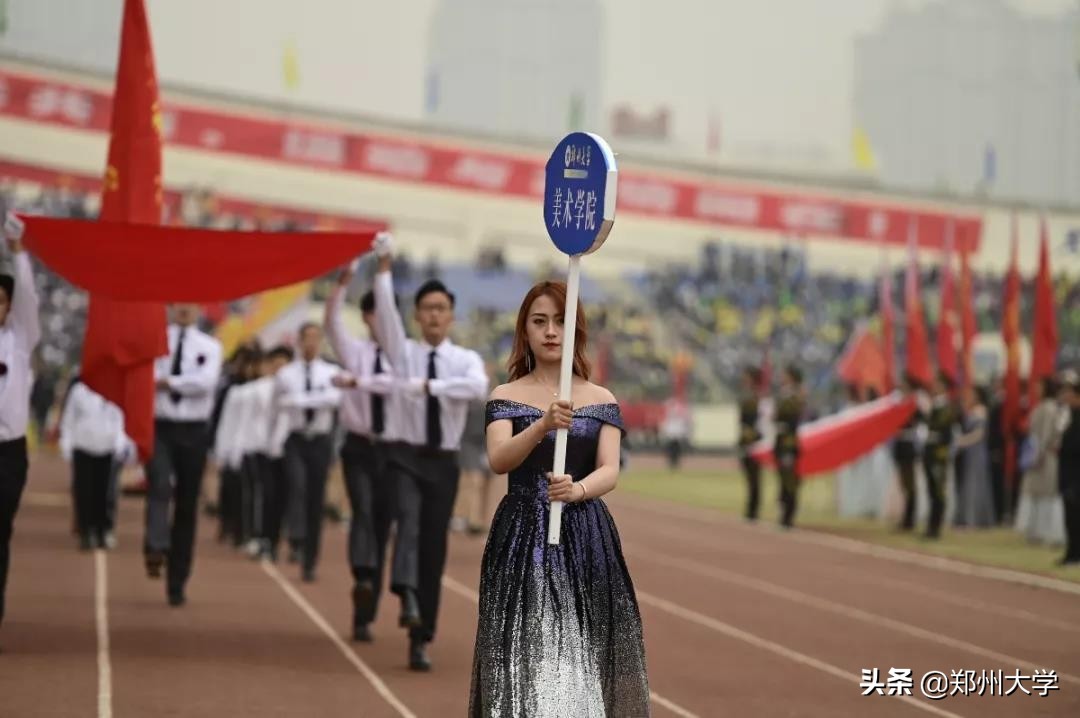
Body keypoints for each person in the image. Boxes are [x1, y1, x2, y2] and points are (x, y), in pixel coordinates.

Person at [469, 280, 649, 717]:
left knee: (580, 641)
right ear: (524, 331)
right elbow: (498, 459)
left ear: (577, 330)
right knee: (528, 642)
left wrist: (578, 490)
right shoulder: (504, 397)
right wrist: (542, 426)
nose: (551, 331)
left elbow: (610, 469)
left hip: (586, 533)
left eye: (561, 321)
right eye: (540, 321)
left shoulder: (601, 399)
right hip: (521, 533)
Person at [372, 234, 489, 671]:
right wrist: (384, 267)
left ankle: (421, 635)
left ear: (451, 316)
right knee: (408, 520)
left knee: (434, 548)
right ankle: (404, 592)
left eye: (442, 309)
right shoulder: (402, 354)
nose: (435, 315)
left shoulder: (464, 360)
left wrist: (430, 387)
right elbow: (385, 315)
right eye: (427, 309)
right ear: (418, 317)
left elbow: (477, 389)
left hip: (443, 462)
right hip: (404, 455)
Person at [325, 269, 402, 642]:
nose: (377, 321)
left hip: (391, 449)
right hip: (357, 446)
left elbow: (396, 385)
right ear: (367, 317)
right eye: (372, 314)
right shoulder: (353, 350)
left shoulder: (403, 355)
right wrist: (340, 286)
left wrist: (358, 381)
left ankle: (366, 608)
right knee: (363, 509)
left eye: (384, 314)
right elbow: (331, 323)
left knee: (383, 523)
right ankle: (362, 575)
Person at [145, 304, 222, 606]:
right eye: (179, 303)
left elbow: (206, 382)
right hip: (160, 427)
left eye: (190, 303)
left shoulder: (210, 346)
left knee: (187, 505)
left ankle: (177, 580)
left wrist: (169, 383)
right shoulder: (155, 339)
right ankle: (155, 545)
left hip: (194, 431)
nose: (184, 309)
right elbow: (146, 376)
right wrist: (169, 383)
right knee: (159, 485)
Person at [273, 322, 342, 583]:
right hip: (295, 440)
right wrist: (313, 398)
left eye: (316, 338)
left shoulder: (331, 372)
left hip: (320, 441)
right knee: (296, 485)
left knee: (315, 500)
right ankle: (296, 536)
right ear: (299, 341)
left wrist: (300, 400)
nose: (311, 343)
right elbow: (279, 403)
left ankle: (310, 558)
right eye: (307, 338)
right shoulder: (286, 374)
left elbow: (335, 400)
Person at [0, 214, 40, 632]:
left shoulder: (20, 341)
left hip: (9, 453)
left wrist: (17, 251)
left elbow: (28, 296)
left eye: (0, 301)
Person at [59, 378, 134, 550]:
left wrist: (121, 444)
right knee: (84, 491)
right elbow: (69, 419)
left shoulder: (116, 388)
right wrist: (66, 444)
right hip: (83, 446)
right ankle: (86, 531)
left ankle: (104, 529)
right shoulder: (79, 390)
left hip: (107, 448)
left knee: (105, 491)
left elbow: (121, 420)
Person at [1015, 377, 1065, 545]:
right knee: (1034, 494)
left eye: (1040, 386)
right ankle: (1034, 530)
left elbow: (1045, 435)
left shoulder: (1049, 408)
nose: (1036, 389)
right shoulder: (1041, 406)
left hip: (1044, 458)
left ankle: (1046, 532)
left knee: (1046, 495)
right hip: (1035, 454)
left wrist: (1038, 455)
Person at [952, 385, 995, 528]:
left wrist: (962, 441)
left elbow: (980, 434)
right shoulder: (969, 410)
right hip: (968, 452)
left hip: (977, 451)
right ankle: (965, 516)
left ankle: (975, 517)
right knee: (967, 482)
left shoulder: (981, 410)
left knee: (976, 482)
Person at [922, 371, 956, 540]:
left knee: (938, 491)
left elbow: (943, 431)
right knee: (931, 490)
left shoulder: (947, 407)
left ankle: (936, 527)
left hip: (939, 454)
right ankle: (931, 526)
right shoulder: (934, 405)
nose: (934, 386)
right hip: (929, 452)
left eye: (937, 383)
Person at [892, 374, 926, 531]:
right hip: (899, 446)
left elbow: (921, 421)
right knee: (903, 484)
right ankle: (906, 516)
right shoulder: (898, 402)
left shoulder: (915, 404)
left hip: (909, 446)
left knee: (910, 484)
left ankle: (910, 518)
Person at [774, 365, 805, 529]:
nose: (782, 377)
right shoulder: (785, 394)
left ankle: (789, 515)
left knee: (789, 479)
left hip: (788, 443)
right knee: (783, 478)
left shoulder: (795, 396)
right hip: (781, 441)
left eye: (785, 375)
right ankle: (784, 513)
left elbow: (790, 418)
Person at [1056, 370, 1080, 566]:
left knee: (1075, 516)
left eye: (1069, 392)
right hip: (1066, 472)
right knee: (1069, 517)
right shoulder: (1067, 415)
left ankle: (1076, 554)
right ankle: (1071, 553)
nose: (1065, 396)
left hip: (1076, 474)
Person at [737, 367, 764, 521]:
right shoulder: (750, 396)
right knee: (749, 477)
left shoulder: (755, 397)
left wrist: (749, 439)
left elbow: (753, 421)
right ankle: (751, 509)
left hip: (753, 440)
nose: (743, 379)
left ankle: (753, 510)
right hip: (747, 438)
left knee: (754, 476)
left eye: (746, 376)